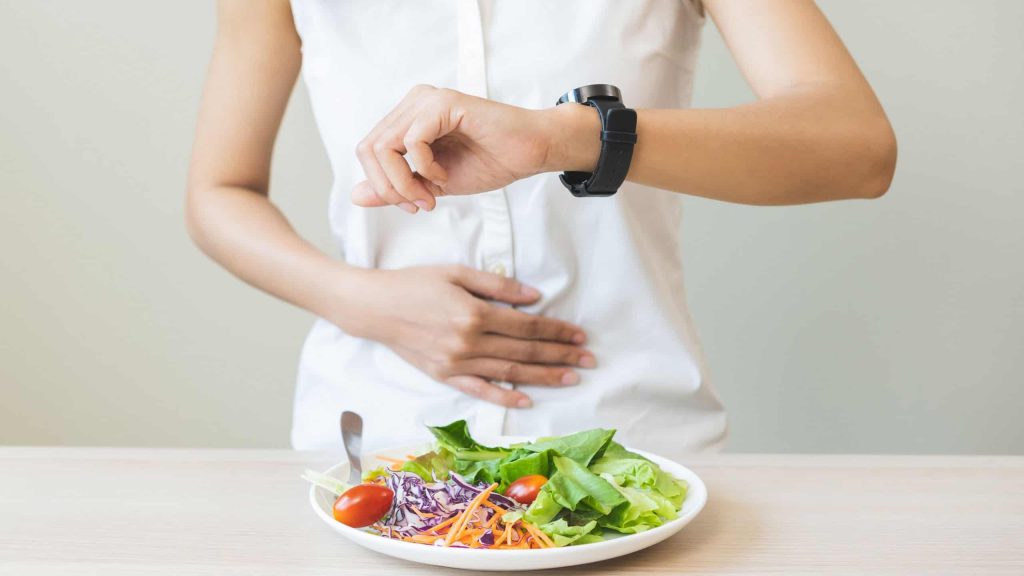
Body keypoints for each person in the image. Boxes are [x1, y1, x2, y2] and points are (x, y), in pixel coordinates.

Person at [186, 0, 896, 458]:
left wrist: (566, 138)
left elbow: (855, 146)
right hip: (372, 439)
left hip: (630, 441)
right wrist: (362, 302)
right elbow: (218, 193)